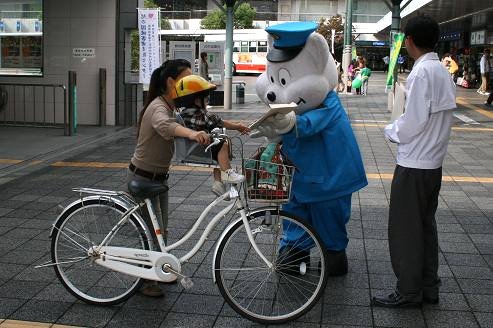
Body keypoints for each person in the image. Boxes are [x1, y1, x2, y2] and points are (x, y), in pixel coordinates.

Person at [372, 15, 456, 308]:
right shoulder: (443, 71)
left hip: (414, 163)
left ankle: (408, 290)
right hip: (433, 164)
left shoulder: (422, 74)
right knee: (425, 227)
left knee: (405, 229)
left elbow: (412, 122)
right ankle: (428, 286)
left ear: (410, 41)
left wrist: (390, 131)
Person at [127, 59, 210, 297]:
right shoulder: (158, 107)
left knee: (161, 229)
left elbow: (197, 120)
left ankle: (158, 270)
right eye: (185, 80)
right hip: (143, 177)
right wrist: (193, 134)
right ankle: (146, 281)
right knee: (152, 232)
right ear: (171, 82)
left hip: (158, 179)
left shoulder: (172, 106)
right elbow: (168, 127)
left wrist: (232, 125)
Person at [174, 75, 251, 196]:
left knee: (218, 156)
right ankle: (227, 173)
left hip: (191, 148)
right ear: (197, 100)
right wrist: (238, 126)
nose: (207, 101)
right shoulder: (202, 114)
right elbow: (220, 122)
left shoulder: (183, 114)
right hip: (199, 149)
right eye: (206, 98)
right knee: (222, 143)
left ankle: (218, 184)